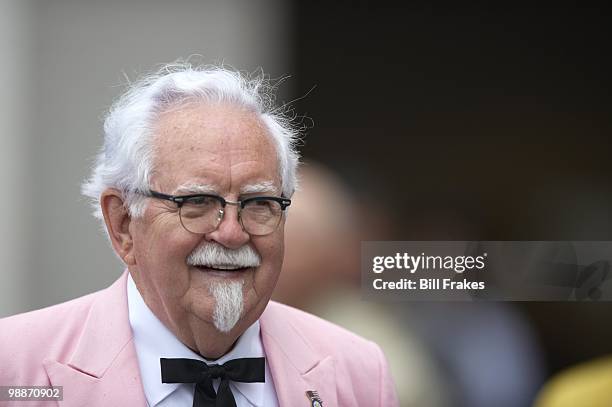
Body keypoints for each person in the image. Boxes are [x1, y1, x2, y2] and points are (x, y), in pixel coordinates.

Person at [0, 63, 399, 406]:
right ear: (123, 223)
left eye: (258, 203)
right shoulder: (16, 366)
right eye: (198, 202)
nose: (230, 232)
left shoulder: (358, 373)